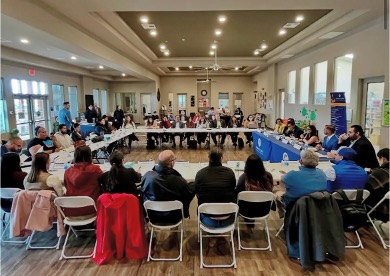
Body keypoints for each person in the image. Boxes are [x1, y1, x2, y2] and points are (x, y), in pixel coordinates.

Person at [141, 150, 195, 222]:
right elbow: (187, 196)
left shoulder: (148, 176)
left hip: (153, 216)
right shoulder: (179, 180)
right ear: (172, 163)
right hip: (174, 217)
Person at [194, 148, 236, 228]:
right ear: (221, 158)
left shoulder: (200, 174)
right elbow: (232, 188)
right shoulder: (230, 173)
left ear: (209, 158)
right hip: (229, 219)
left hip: (207, 219)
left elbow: (197, 192)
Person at [64, 145, 103, 217]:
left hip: (71, 209)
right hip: (91, 208)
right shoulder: (95, 170)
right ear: (89, 155)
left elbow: (66, 186)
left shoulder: (68, 171)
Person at [364, 148, 389, 221]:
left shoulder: (379, 173)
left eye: (378, 159)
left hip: (380, 209)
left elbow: (367, 187)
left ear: (383, 158)